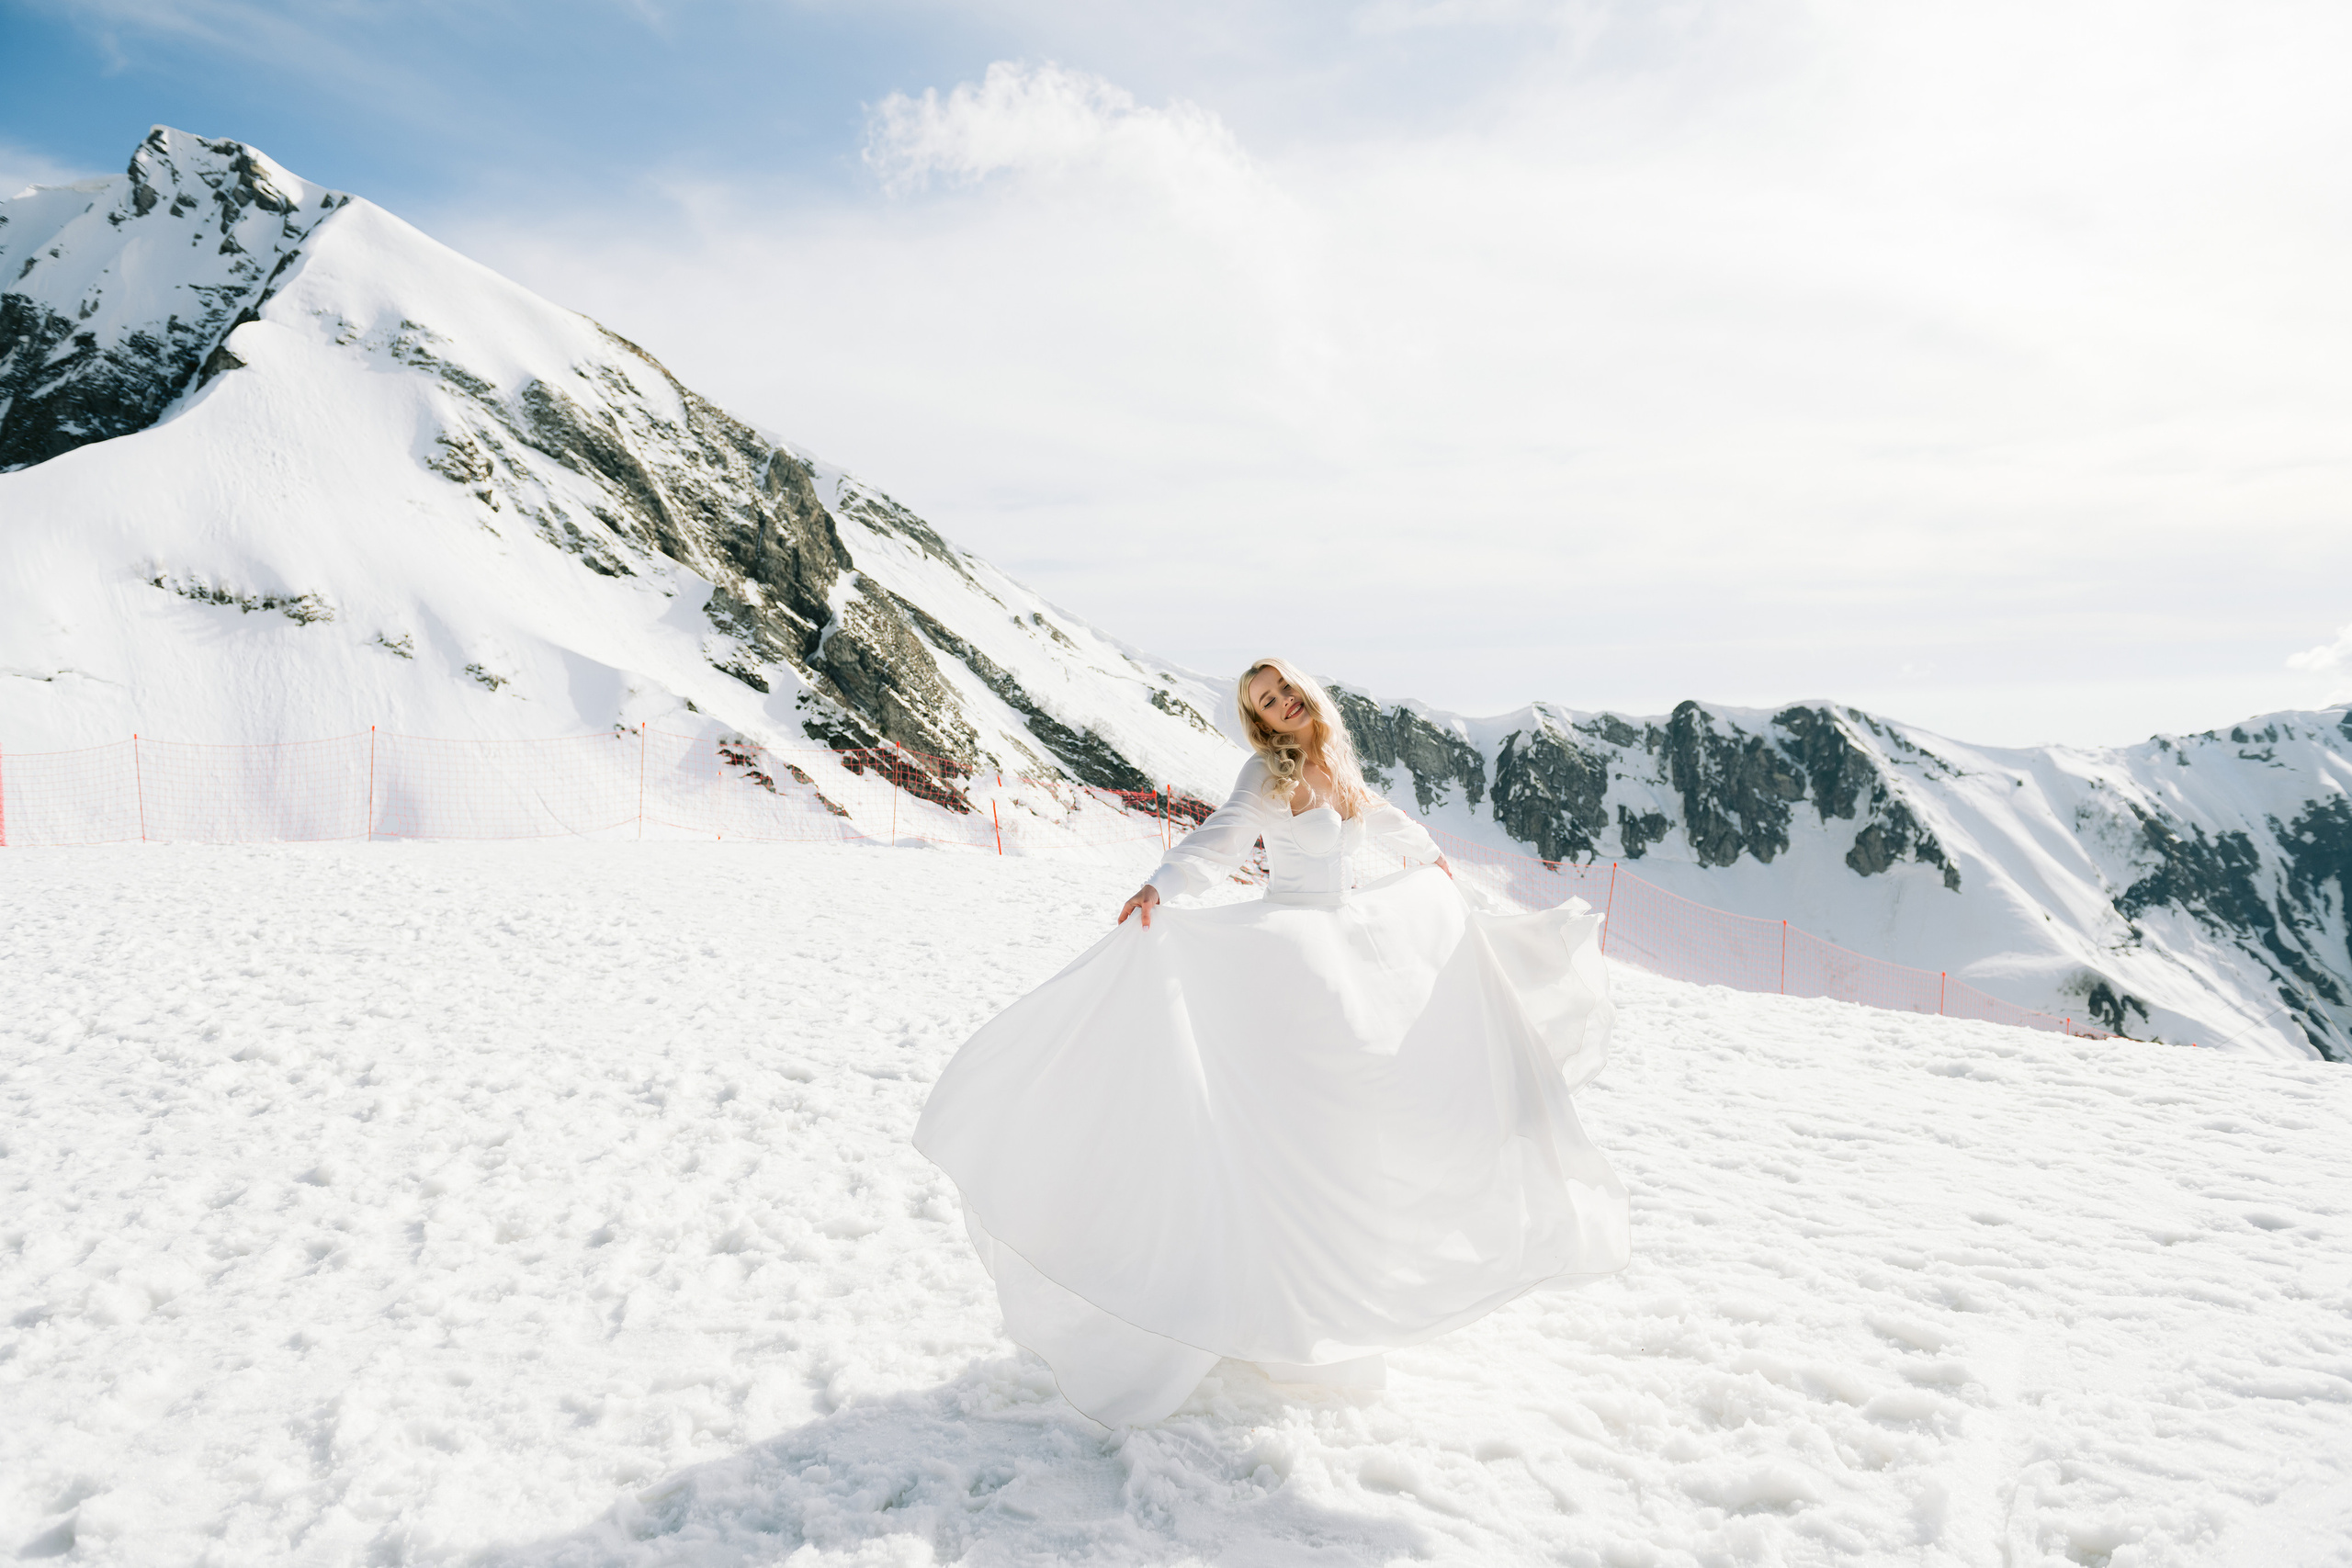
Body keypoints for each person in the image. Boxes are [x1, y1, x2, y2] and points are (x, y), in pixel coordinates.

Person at [913, 656, 1629, 1426]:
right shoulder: (1267, 772)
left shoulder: (1336, 759)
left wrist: (1430, 860)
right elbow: (1221, 840)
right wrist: (1163, 885)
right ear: (1258, 720)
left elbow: (1379, 816)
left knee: (1350, 1130)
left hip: (1347, 951)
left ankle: (1332, 1299)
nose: (1283, 702)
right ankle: (1284, 1313)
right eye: (1265, 700)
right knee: (1298, 1135)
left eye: (1285, 688)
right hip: (1291, 958)